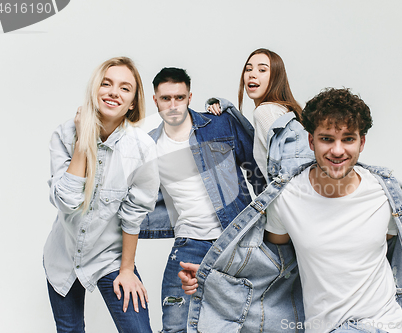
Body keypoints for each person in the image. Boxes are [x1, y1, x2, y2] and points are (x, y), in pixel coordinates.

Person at [179, 88, 402, 333]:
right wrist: (210, 278)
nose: (337, 150)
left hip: (383, 325)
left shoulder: (384, 194)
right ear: (311, 142)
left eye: (348, 139)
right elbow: (271, 265)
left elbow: (390, 256)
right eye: (327, 139)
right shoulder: (287, 197)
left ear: (362, 143)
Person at [138, 67, 265, 333]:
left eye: (179, 98)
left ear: (189, 97)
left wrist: (268, 226)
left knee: (247, 321)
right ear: (155, 100)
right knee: (175, 325)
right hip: (189, 242)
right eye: (165, 99)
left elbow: (257, 169)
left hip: (234, 240)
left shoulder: (218, 124)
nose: (173, 105)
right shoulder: (147, 146)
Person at [44, 57, 160, 332]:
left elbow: (134, 214)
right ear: (95, 90)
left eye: (124, 88)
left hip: (110, 257)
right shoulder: (65, 134)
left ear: (132, 102)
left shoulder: (142, 148)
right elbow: (67, 201)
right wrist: (83, 139)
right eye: (106, 84)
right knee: (70, 329)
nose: (113, 92)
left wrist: (127, 269)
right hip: (63, 255)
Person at [207, 48, 301, 181]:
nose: (252, 74)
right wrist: (221, 106)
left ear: (276, 77)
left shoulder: (265, 111)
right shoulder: (282, 109)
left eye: (262, 70)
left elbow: (285, 169)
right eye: (248, 69)